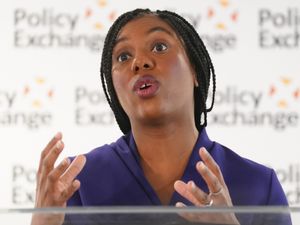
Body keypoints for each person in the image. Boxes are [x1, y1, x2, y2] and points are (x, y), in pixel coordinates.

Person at [31, 8, 291, 225]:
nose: (139, 62)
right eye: (123, 56)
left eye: (159, 46)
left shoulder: (259, 186)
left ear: (196, 71)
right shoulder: (76, 185)